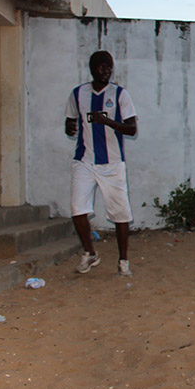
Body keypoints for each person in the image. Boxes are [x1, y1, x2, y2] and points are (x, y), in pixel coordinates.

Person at [64, 50, 138, 276]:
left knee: (121, 214)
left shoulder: (119, 95)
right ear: (92, 69)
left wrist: (107, 121)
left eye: (109, 67)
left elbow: (132, 128)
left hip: (112, 164)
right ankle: (89, 253)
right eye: (102, 67)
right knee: (78, 209)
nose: (106, 71)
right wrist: (69, 127)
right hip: (84, 161)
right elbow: (70, 120)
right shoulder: (78, 94)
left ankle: (123, 260)